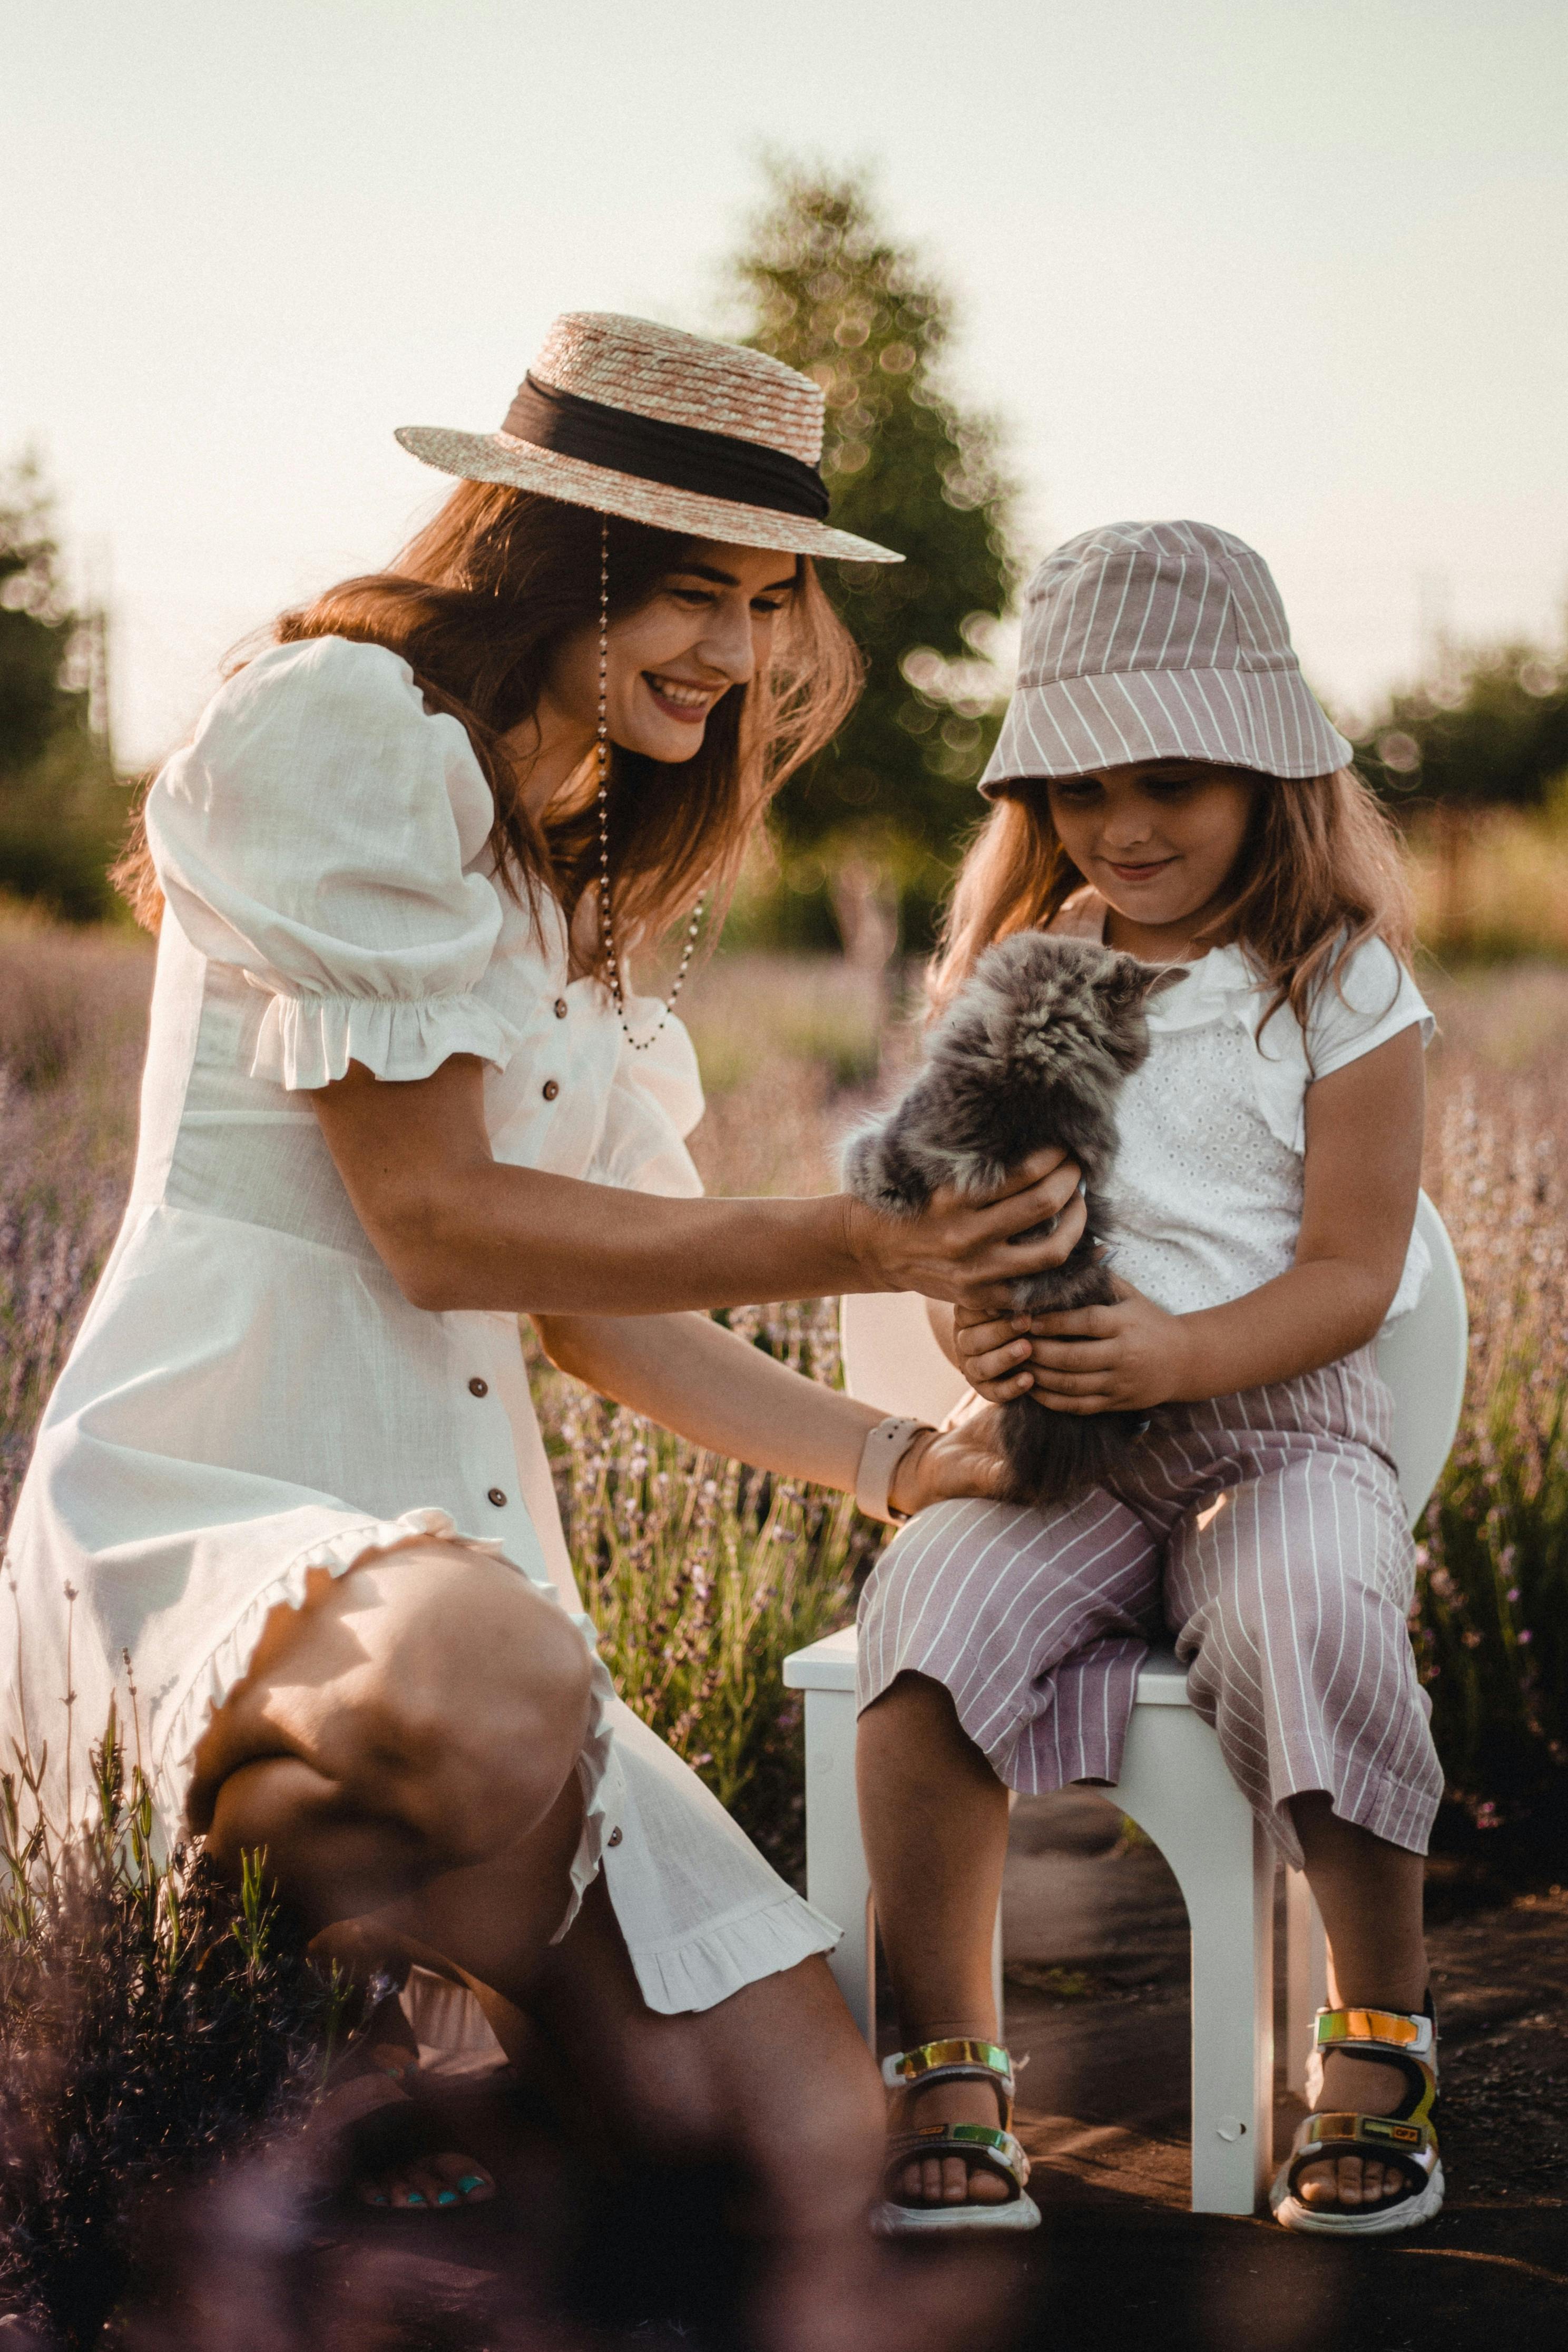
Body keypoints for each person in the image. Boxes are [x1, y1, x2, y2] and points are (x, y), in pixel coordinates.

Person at [2, 315, 1086, 2345]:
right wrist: (868, 1238)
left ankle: (429, 2092)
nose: (743, 652)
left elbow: (591, 1313)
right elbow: (439, 1228)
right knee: (492, 1678)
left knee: (808, 2146)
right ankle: (313, 2045)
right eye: (697, 589)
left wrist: (892, 1464)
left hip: (475, 1603)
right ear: (544, 551)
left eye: (772, 603)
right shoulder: (341, 727)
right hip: (215, 1509)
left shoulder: (566, 851)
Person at [855, 520, 1446, 2240]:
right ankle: (945, 2059)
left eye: (1174, 778)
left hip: (1278, 1432)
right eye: (1079, 786)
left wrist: (1187, 1348)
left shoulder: (1340, 988)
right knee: (922, 1631)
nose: (1123, 824)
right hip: (1065, 1448)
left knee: (1314, 1615)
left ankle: (1380, 2036)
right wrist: (989, 1336)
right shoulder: (1019, 983)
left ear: (1273, 770)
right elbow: (956, 1227)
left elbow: (1349, 1271)